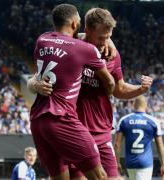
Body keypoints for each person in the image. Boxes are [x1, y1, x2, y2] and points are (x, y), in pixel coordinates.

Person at [28, 7, 153, 180]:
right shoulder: (76, 47)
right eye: (101, 37)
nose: (105, 41)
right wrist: (33, 83)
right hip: (72, 127)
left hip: (100, 130)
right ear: (85, 30)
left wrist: (140, 89)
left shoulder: (112, 55)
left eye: (109, 37)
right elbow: (39, 76)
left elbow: (119, 88)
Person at [29, 4, 116, 180]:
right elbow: (110, 82)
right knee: (100, 176)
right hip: (62, 118)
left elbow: (36, 77)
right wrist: (108, 91)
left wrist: (33, 83)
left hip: (38, 120)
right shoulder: (85, 49)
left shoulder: (42, 39)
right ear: (76, 24)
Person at [114, 95, 164, 180]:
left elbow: (117, 144)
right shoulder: (153, 121)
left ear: (134, 105)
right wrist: (163, 164)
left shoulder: (124, 120)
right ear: (146, 105)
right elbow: (160, 145)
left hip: (130, 163)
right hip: (145, 163)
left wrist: (117, 163)